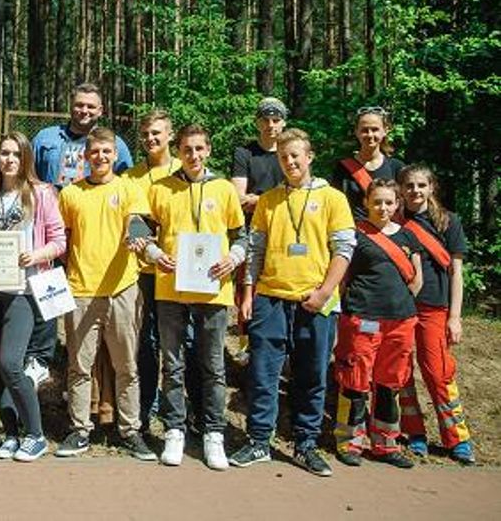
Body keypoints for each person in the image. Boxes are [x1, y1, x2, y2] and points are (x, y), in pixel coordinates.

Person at [231, 128, 355, 477]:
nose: (290, 162)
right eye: (284, 157)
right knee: (262, 373)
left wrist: (324, 292)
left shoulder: (332, 198)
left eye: (296, 155)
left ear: (309, 156)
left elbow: (344, 249)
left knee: (312, 374)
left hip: (314, 301)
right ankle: (258, 441)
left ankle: (305, 444)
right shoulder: (268, 200)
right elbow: (254, 251)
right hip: (270, 298)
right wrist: (248, 292)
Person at [142, 124, 246, 470]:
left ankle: (213, 433)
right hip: (171, 289)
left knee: (213, 364)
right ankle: (175, 429)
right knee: (172, 363)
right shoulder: (161, 188)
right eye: (187, 149)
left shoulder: (225, 189)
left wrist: (234, 257)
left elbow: (241, 236)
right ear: (179, 150)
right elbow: (141, 232)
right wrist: (156, 254)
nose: (194, 155)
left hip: (215, 291)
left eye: (200, 149)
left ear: (209, 150)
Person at [53, 128, 154, 461]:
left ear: (115, 154)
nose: (100, 157)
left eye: (106, 152)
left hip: (122, 289)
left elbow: (137, 221)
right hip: (81, 291)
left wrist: (136, 236)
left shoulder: (129, 188)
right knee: (79, 368)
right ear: (85, 156)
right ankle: (80, 430)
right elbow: (62, 238)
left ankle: (130, 431)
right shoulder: (70, 194)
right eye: (94, 151)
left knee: (126, 365)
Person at [0, 132, 66, 462]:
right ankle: (10, 433)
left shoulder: (41, 194)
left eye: (15, 154)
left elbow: (59, 241)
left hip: (23, 290)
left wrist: (36, 256)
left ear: (25, 157)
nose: (8, 159)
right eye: (3, 153)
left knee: (12, 363)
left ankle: (35, 434)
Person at [30, 82, 133, 388]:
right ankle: (43, 360)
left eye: (91, 106)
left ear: (100, 110)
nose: (84, 110)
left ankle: (98, 382)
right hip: (51, 234)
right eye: (79, 105)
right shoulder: (46, 138)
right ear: (70, 105)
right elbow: (30, 177)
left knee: (92, 310)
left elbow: (122, 187)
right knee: (47, 299)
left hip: (92, 239)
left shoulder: (115, 144)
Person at [332, 179, 423, 469]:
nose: (382, 208)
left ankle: (386, 444)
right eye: (377, 202)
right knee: (355, 381)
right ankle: (349, 441)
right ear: (366, 203)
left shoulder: (408, 237)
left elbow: (416, 279)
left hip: (400, 321)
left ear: (397, 204)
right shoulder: (356, 236)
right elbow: (343, 279)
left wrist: (399, 303)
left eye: (388, 202)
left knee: (389, 383)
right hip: (362, 318)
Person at [396, 165, 475, 464]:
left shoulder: (448, 222)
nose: (415, 191)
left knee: (438, 372)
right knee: (401, 372)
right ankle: (413, 432)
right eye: (409, 186)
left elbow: (456, 273)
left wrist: (455, 317)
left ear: (431, 188)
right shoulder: (394, 220)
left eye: (421, 185)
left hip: (435, 308)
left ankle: (457, 438)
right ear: (401, 189)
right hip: (400, 307)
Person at [122, 108, 182, 435]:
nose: (150, 139)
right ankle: (145, 410)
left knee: (177, 346)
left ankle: (181, 417)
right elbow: (130, 223)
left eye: (157, 133)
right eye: (145, 134)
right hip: (141, 272)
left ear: (170, 135)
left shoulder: (183, 169)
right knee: (144, 344)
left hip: (177, 272)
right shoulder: (131, 176)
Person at [332, 106, 405, 219]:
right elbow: (334, 206)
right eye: (365, 130)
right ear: (356, 132)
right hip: (355, 233)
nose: (370, 135)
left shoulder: (397, 167)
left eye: (375, 129)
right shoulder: (343, 168)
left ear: (385, 130)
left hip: (388, 234)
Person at [231, 97, 288, 216]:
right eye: (265, 120)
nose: (270, 125)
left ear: (284, 123)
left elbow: (297, 194)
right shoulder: (243, 153)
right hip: (252, 222)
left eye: (276, 120)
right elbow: (238, 198)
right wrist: (276, 199)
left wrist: (259, 200)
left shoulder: (291, 154)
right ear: (257, 123)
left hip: (285, 218)